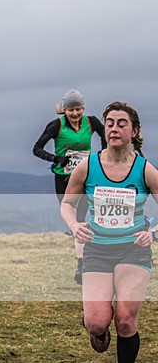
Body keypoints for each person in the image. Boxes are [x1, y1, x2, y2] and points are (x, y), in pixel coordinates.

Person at [61, 101, 157, 363]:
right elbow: (67, 204)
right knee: (96, 322)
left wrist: (151, 232)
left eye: (121, 123)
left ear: (134, 131)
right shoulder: (88, 166)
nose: (114, 128)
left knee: (126, 319)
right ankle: (98, 322)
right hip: (98, 251)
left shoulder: (145, 169)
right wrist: (75, 225)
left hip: (133, 250)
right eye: (110, 123)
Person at [34, 90, 106, 284]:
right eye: (71, 110)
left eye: (78, 109)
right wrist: (56, 158)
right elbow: (36, 149)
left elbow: (105, 136)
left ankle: (83, 266)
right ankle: (84, 263)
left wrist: (102, 157)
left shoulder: (91, 122)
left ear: (83, 108)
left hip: (85, 177)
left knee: (81, 219)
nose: (75, 113)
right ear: (64, 110)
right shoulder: (56, 125)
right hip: (64, 178)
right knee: (73, 219)